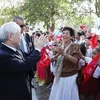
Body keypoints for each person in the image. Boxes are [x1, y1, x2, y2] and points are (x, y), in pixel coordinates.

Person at [0, 22, 46, 100]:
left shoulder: (13, 49)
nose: (21, 37)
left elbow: (27, 56)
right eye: (19, 35)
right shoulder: (3, 55)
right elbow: (24, 65)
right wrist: (38, 49)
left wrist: (36, 48)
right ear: (10, 36)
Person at [49, 27, 80, 100]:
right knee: (58, 96)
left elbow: (75, 60)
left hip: (69, 77)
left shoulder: (75, 46)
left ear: (71, 36)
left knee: (67, 96)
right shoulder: (60, 45)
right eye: (63, 33)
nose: (64, 35)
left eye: (67, 33)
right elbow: (52, 59)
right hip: (58, 76)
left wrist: (64, 54)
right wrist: (57, 55)